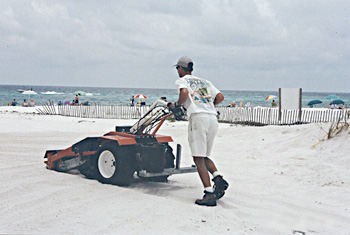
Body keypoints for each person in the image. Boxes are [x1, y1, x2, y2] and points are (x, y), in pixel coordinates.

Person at [171, 56, 229, 207]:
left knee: (198, 159)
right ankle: (218, 178)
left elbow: (184, 92)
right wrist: (208, 106)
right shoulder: (204, 81)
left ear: (182, 69)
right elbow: (220, 97)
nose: (177, 71)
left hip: (198, 119)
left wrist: (178, 105)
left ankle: (209, 193)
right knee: (204, 156)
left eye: (178, 68)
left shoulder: (182, 80)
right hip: (212, 118)